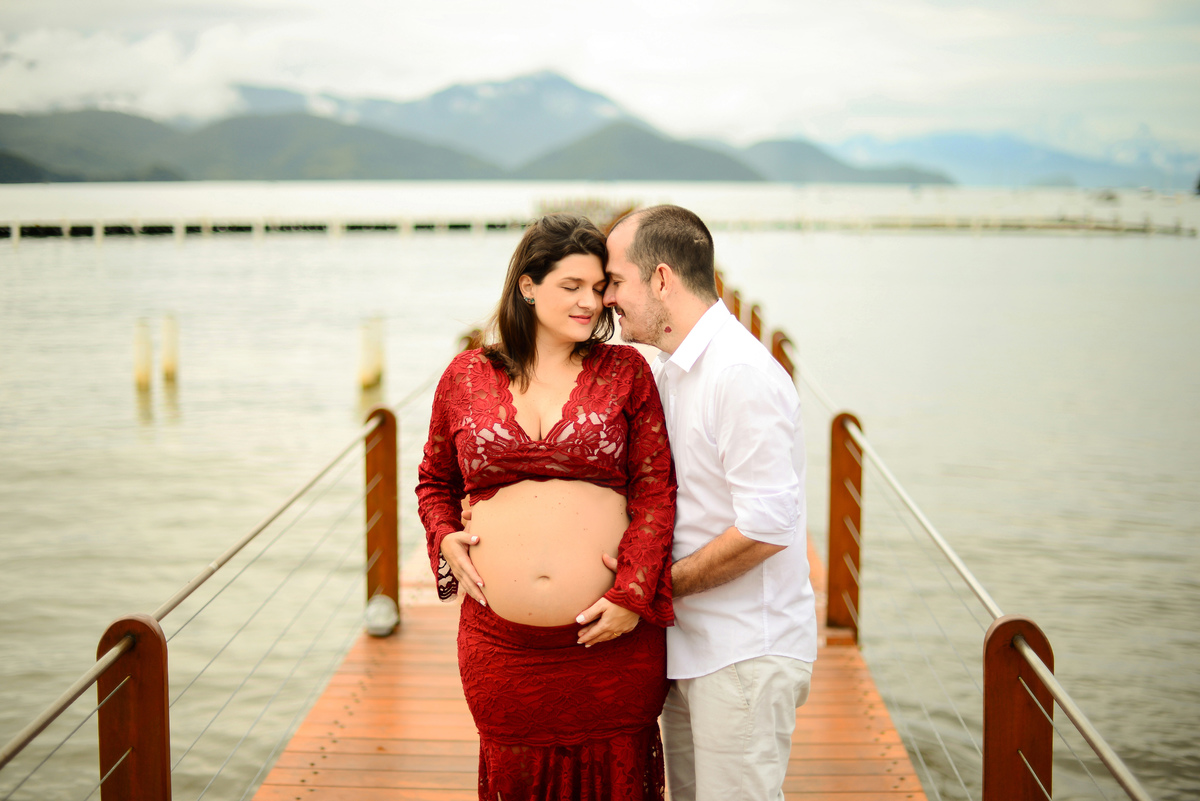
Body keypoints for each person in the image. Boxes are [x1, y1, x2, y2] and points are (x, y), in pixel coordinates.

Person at [416, 213, 676, 801]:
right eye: (572, 287)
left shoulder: (626, 372)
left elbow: (656, 491)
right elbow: (435, 480)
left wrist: (633, 598)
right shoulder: (465, 376)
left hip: (611, 641)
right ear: (528, 286)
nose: (591, 302)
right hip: (502, 649)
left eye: (599, 287)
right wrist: (443, 540)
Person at [598, 204, 818, 801]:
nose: (607, 298)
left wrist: (654, 588)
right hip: (692, 648)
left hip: (744, 652)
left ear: (662, 278)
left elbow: (768, 528)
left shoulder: (740, 373)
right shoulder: (674, 369)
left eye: (616, 281)